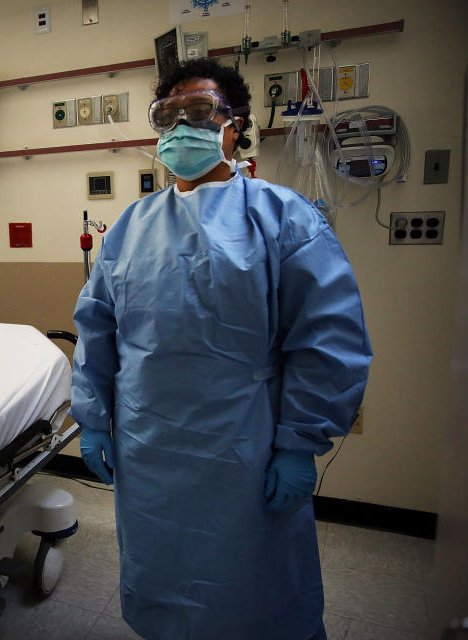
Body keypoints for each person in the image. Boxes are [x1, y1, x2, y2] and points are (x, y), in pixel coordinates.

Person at [70, 59, 372, 639]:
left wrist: (298, 444)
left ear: (234, 126)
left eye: (201, 111)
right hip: (150, 445)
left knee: (253, 588)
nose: (183, 126)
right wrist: (94, 420)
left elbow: (327, 340)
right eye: (169, 114)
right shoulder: (132, 227)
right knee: (164, 577)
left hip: (244, 446)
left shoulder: (282, 218)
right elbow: (98, 327)